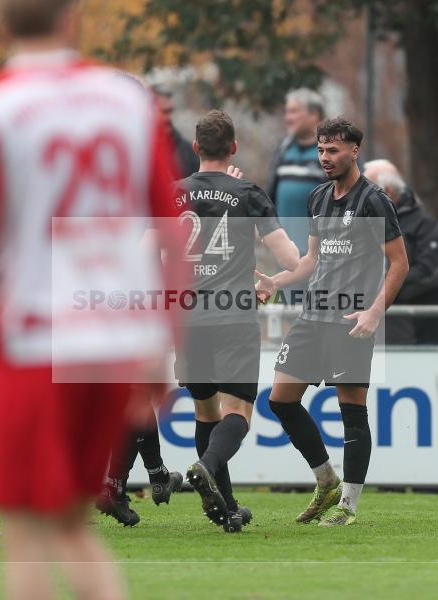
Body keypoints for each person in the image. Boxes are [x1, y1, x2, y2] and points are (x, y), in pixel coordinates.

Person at [0, 0, 182, 598]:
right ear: (72, 20)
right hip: (114, 335)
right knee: (69, 524)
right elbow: (172, 227)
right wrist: (165, 342)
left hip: (39, 336)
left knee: (28, 534)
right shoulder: (127, 103)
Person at [255, 117, 408, 526]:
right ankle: (326, 481)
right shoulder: (318, 197)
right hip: (312, 316)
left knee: (352, 411)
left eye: (333, 150)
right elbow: (311, 261)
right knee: (279, 399)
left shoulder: (374, 200)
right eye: (321, 150)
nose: (325, 157)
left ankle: (349, 507)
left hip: (350, 319)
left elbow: (399, 263)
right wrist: (276, 279)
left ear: (354, 151)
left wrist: (375, 311)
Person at [177, 110, 299, 532]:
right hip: (232, 315)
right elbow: (290, 259)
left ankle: (226, 508)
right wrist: (271, 278)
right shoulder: (248, 192)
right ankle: (206, 466)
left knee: (205, 413)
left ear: (195, 148)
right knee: (239, 414)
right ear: (233, 147)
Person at [363, 159, 438, 344]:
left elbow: (429, 273)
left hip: (416, 336)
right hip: (368, 335)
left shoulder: (424, 225)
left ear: (388, 192)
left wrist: (381, 290)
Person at [266, 88, 326, 256]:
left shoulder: (332, 151)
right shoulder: (283, 150)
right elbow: (270, 196)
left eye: (294, 112)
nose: (287, 118)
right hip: (285, 255)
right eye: (286, 112)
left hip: (319, 257)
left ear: (314, 114)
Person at [153, 84, 199, 178]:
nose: (169, 118)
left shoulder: (188, 152)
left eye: (171, 111)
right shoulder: (139, 151)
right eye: (165, 111)